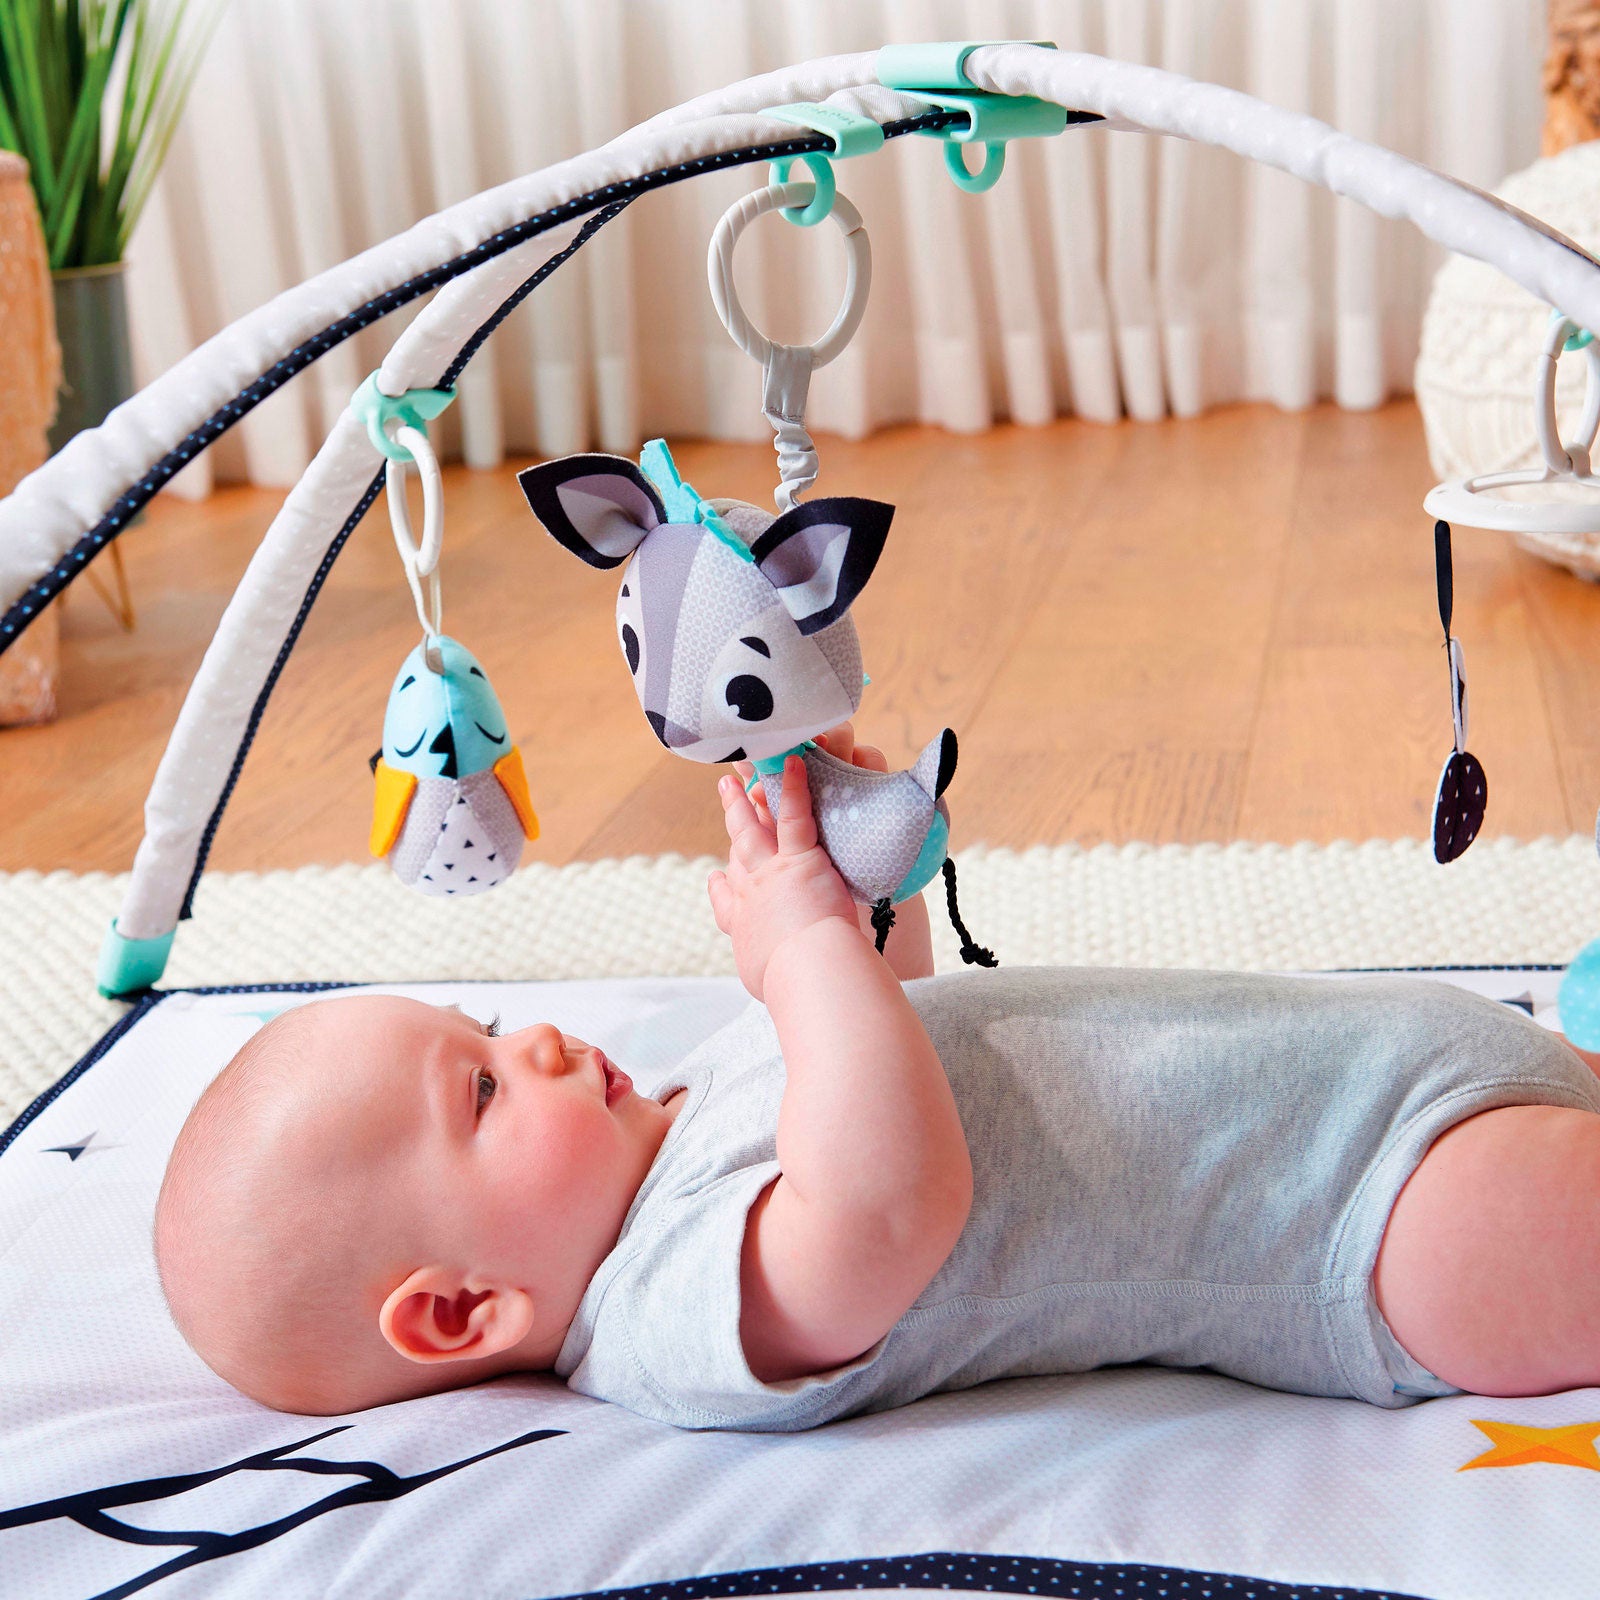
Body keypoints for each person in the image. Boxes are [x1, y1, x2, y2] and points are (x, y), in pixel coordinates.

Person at [154, 726, 1600, 1428]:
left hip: (1366, 1061)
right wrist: (797, 959)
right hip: (1369, 1226)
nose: (529, 1044)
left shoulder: (672, 1119)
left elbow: (888, 1037)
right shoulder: (673, 1311)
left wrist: (851, 896)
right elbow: (889, 1201)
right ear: (464, 1310)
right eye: (480, 1092)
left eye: (481, 1028)